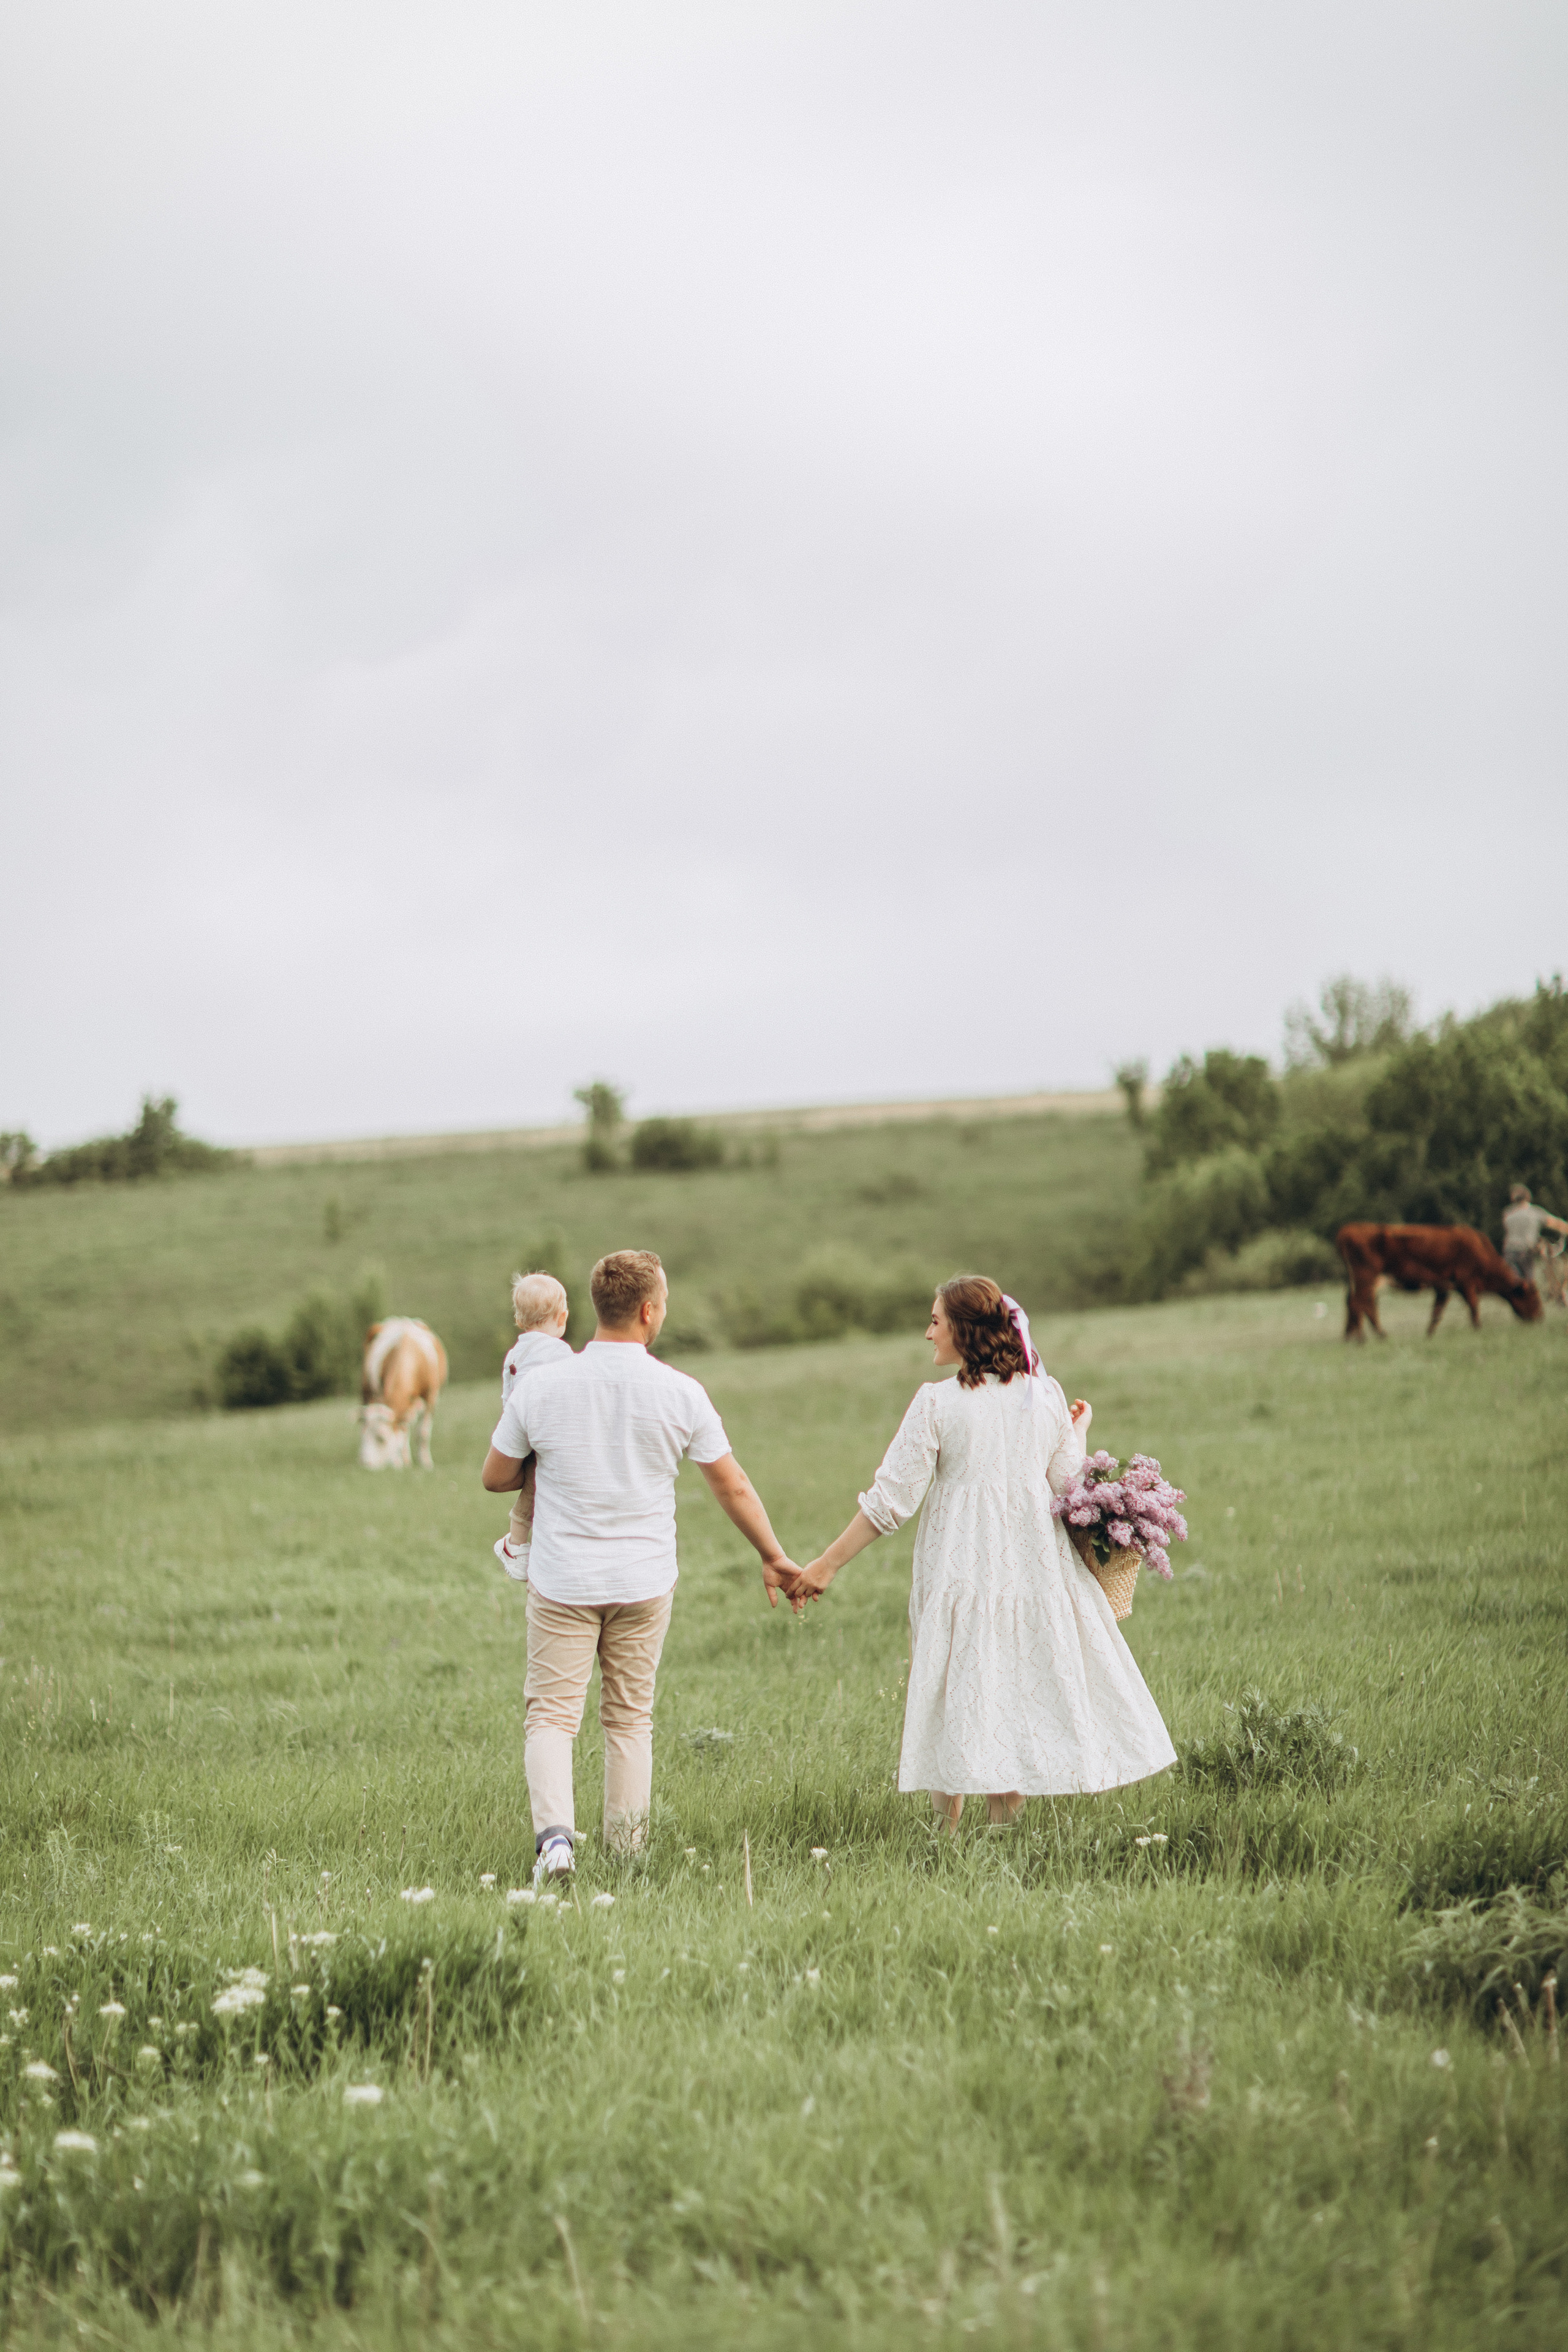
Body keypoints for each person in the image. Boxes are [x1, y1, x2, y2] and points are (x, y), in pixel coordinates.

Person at [790, 1275, 1175, 1828]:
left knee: (958, 1681)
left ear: (963, 1332)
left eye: (935, 1322)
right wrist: (1079, 1430)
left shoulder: (937, 1404)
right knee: (1013, 1680)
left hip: (960, 1562)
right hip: (1033, 1565)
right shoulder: (1044, 1394)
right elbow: (1070, 1487)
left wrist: (825, 1565)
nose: (927, 1334)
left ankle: (946, 1834)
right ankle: (1004, 1833)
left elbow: (889, 1503)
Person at [481, 1248, 800, 1883]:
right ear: (649, 1311)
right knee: (629, 1716)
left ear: (595, 1308)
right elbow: (732, 1486)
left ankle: (555, 1845)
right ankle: (627, 1855)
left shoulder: (542, 1384)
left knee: (551, 1715)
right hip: (644, 1580)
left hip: (563, 1579)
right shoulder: (680, 1391)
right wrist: (773, 1556)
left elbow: (495, 1478)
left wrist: (542, 1458)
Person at [492, 1270, 574, 1581]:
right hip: (547, 1432)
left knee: (532, 1485)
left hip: (521, 1431)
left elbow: (507, 1394)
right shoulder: (560, 1352)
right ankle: (515, 1547)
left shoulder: (515, 1354)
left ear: (519, 1319)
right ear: (562, 1317)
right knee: (535, 1489)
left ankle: (518, 1542)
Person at [1501, 1185, 1567, 1286]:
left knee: (1513, 1284)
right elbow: (1555, 1224)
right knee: (1529, 1285)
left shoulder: (1508, 1214)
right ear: (1528, 1197)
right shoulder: (1534, 1212)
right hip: (1526, 1252)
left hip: (1509, 1252)